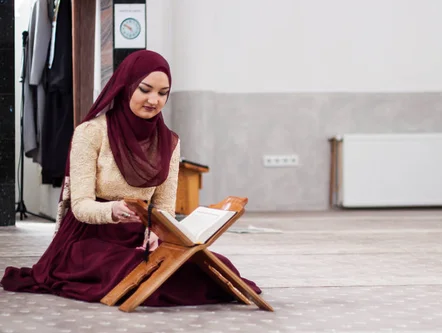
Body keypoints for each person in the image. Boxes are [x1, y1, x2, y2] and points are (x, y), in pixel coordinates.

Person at [1, 50, 261, 306]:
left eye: (163, 93)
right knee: (133, 270)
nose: (153, 100)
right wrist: (113, 210)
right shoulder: (91, 132)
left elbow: (164, 207)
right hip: (89, 238)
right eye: (145, 89)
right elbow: (79, 207)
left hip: (139, 238)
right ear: (126, 87)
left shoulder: (169, 142)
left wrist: (155, 233)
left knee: (214, 266)